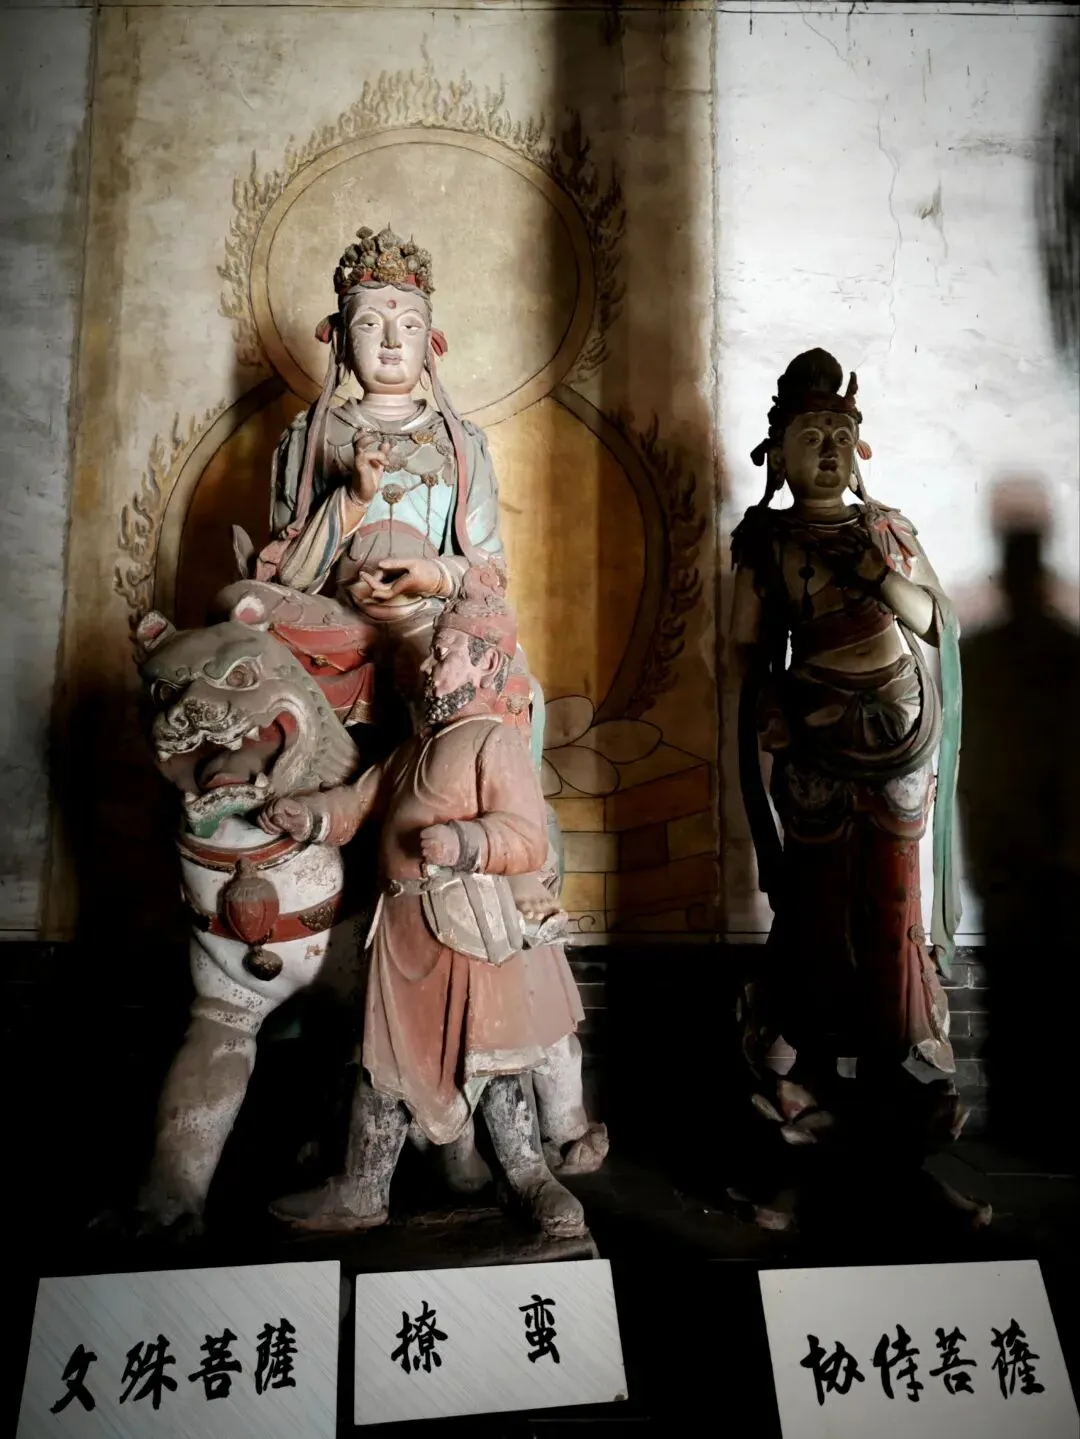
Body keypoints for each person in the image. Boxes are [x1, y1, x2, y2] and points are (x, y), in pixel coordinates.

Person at [259, 571, 588, 1238]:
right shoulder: (410, 752)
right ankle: (362, 1189)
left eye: (444, 653)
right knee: (382, 1065)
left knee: (495, 1061)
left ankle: (530, 1178)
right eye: (434, 653)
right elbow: (355, 807)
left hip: (469, 930)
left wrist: (466, 842)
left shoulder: (494, 741)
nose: (430, 666)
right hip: (402, 933)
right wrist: (309, 817)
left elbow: (526, 838)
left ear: (486, 664)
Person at [730, 348, 968, 1181]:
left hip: (900, 736)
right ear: (778, 453)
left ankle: (897, 1065)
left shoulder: (888, 529)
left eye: (840, 434)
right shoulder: (766, 540)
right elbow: (747, 651)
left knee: (893, 905)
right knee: (820, 905)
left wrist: (876, 572)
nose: (828, 450)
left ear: (860, 448)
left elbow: (937, 622)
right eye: (810, 436)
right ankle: (817, 1070)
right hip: (815, 740)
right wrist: (772, 710)